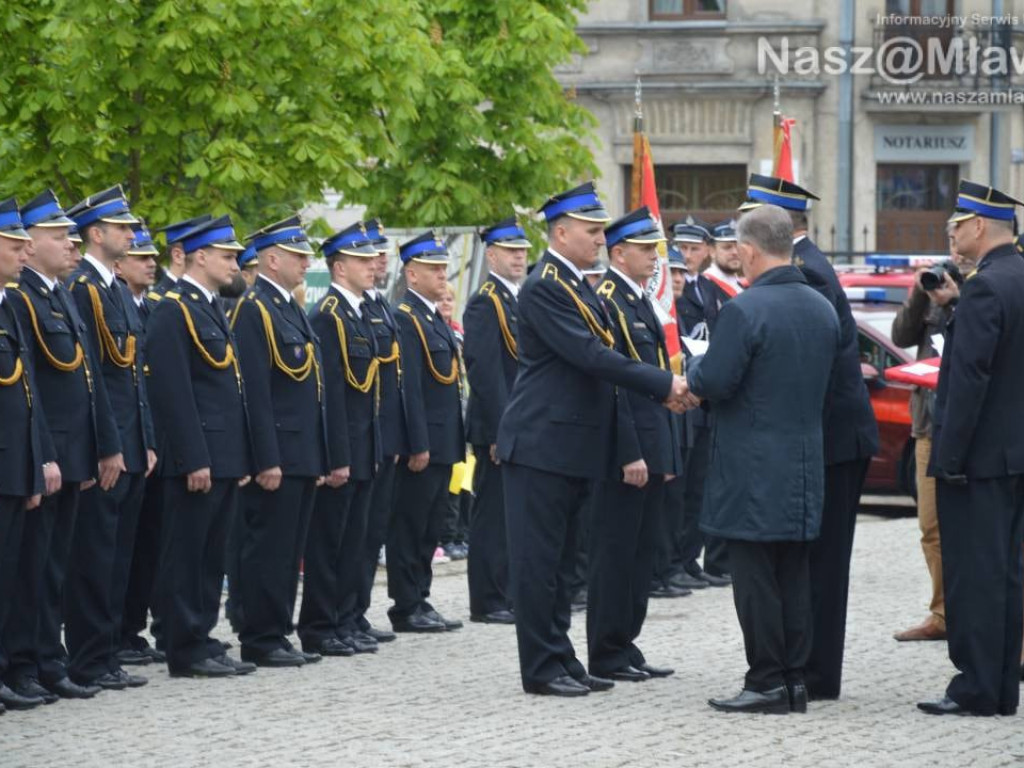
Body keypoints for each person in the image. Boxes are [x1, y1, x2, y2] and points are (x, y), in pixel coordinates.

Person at [496, 181, 688, 697]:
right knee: (539, 565)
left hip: (570, 447)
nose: (601, 238)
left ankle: (563, 658)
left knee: (562, 564)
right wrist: (664, 383)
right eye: (592, 229)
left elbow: (602, 367)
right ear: (560, 232)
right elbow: (591, 357)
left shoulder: (578, 285)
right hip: (540, 445)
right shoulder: (546, 286)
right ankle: (541, 667)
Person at [687, 204, 840, 715]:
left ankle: (766, 679)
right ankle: (795, 678)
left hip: (751, 467)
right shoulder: (822, 307)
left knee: (754, 581)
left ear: (749, 251)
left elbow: (715, 382)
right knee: (794, 575)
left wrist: (694, 363)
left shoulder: (746, 310)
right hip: (803, 462)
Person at [742, 173, 879, 700]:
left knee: (820, 562)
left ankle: (817, 673)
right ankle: (813, 669)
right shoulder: (812, 265)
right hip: (831, 438)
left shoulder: (807, 274)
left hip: (829, 441)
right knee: (817, 559)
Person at [918, 181, 1024, 717]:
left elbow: (971, 380)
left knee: (977, 577)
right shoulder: (1018, 276)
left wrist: (950, 457)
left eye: (957, 224)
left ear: (979, 226)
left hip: (980, 461)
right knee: (1005, 574)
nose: (953, 233)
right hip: (1014, 454)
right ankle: (1002, 684)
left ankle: (978, 688)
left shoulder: (985, 287)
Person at [2, 191, 104, 704]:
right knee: (26, 570)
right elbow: (32, 388)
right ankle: (22, 665)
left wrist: (92, 447)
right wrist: (42, 456)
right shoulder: (20, 298)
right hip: (31, 458)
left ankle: (44, 659)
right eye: (56, 236)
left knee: (51, 568)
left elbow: (81, 382)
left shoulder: (56, 295)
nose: (70, 244)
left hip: (58, 454)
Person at [146, 214, 255, 678]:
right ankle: (183, 644)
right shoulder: (174, 308)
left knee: (211, 553)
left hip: (223, 454)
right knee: (187, 553)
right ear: (199, 256)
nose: (235, 264)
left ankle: (201, 633)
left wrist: (239, 454)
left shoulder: (209, 305)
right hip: (197, 456)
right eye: (228, 256)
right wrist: (193, 456)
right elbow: (173, 391)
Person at [65, 185, 156, 691]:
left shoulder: (115, 291)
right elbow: (94, 378)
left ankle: (107, 651)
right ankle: (88, 657)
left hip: (130, 441)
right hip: (109, 446)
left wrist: (143, 437)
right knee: (95, 557)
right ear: (96, 234)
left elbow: (131, 375)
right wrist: (108, 444)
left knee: (117, 555)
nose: (131, 235)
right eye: (122, 228)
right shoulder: (84, 289)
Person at [587, 206, 682, 681]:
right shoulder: (606, 299)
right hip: (628, 450)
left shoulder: (639, 298)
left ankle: (627, 642)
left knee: (643, 552)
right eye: (645, 250)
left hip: (652, 442)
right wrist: (631, 451)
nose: (654, 258)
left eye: (655, 250)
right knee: (616, 552)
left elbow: (657, 379)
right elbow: (616, 383)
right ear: (618, 253)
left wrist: (664, 449)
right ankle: (606, 650)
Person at [230, 215, 327, 667]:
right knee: (267, 547)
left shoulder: (287, 307)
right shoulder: (255, 309)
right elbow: (255, 390)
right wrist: (265, 456)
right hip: (278, 453)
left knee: (289, 550)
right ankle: (260, 636)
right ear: (272, 259)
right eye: (297, 255)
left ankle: (277, 629)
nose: (306, 262)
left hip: (301, 451)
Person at [298, 222, 382, 657]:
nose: (373, 266)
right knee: (328, 544)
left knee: (355, 542)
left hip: (365, 447)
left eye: (372, 259)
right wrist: (337, 455)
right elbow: (329, 393)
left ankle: (346, 618)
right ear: (339, 265)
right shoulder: (329, 315)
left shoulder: (359, 311)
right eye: (362, 260)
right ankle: (319, 624)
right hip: (344, 449)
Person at [385, 231, 465, 633]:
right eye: (434, 269)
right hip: (425, 443)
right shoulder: (405, 317)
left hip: (444, 438)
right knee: (410, 525)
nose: (442, 275)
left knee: (431, 526)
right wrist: (417, 443)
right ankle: (406, 604)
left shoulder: (433, 317)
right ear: (411, 275)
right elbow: (410, 386)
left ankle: (422, 598)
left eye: (443, 268)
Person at [0, 197, 62, 712]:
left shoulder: (7, 306)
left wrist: (39, 459)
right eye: (13, 243)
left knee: (16, 576)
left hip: (16, 466)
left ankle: (14, 669)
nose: (23, 251)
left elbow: (27, 393)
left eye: (25, 242)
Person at [890, 244, 963, 643]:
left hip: (967, 428)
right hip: (928, 428)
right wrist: (920, 293)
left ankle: (970, 611)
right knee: (930, 527)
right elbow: (900, 335)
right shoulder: (930, 295)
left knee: (972, 527)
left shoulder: (977, 289)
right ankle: (942, 613)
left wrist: (957, 299)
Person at [462, 216, 528, 624]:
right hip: (496, 427)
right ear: (491, 254)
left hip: (516, 425)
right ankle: (487, 600)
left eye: (522, 250)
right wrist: (502, 429)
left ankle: (506, 591)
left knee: (511, 516)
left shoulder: (515, 298)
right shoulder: (486, 300)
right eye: (510, 251)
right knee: (490, 518)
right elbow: (484, 372)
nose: (519, 257)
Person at [114, 220, 166, 666]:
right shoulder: (109, 303)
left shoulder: (150, 308)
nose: (151, 264)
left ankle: (131, 628)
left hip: (150, 442)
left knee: (146, 543)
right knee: (119, 548)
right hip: (127, 441)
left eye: (153, 257)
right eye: (141, 257)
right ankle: (116, 632)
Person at [671, 219, 730, 592]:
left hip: (706, 398)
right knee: (679, 488)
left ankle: (689, 557)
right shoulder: (669, 294)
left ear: (707, 250)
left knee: (699, 488)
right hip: (680, 394)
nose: (688, 257)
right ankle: (673, 559)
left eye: (693, 249)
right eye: (681, 249)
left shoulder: (710, 290)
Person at [350, 219, 400, 646]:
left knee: (369, 533)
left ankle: (355, 612)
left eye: (379, 254)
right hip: (358, 439)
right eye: (367, 255)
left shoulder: (378, 305)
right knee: (350, 536)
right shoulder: (338, 312)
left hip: (379, 437)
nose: (376, 262)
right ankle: (341, 614)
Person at [152, 214, 213, 295]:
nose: (205, 259)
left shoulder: (205, 295)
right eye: (201, 254)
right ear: (178, 256)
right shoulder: (158, 300)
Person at [704, 219, 744, 298]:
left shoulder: (742, 284)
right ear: (712, 251)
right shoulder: (706, 285)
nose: (735, 252)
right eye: (727, 247)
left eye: (738, 247)